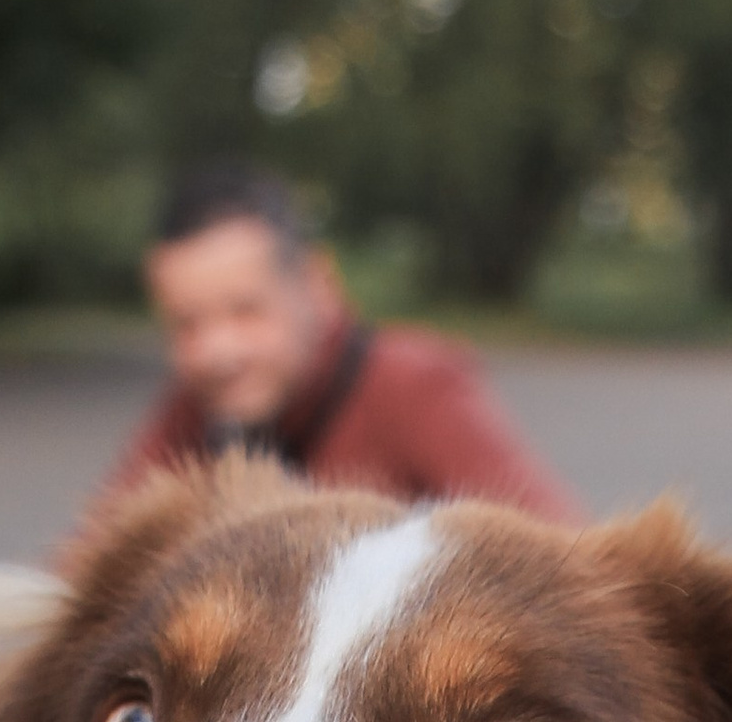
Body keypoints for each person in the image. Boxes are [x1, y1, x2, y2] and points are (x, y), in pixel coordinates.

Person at [103, 163, 578, 518]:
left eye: (245, 311)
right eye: (187, 324)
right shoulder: (198, 407)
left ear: (317, 285)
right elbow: (90, 570)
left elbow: (559, 557)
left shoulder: (412, 387)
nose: (217, 352)